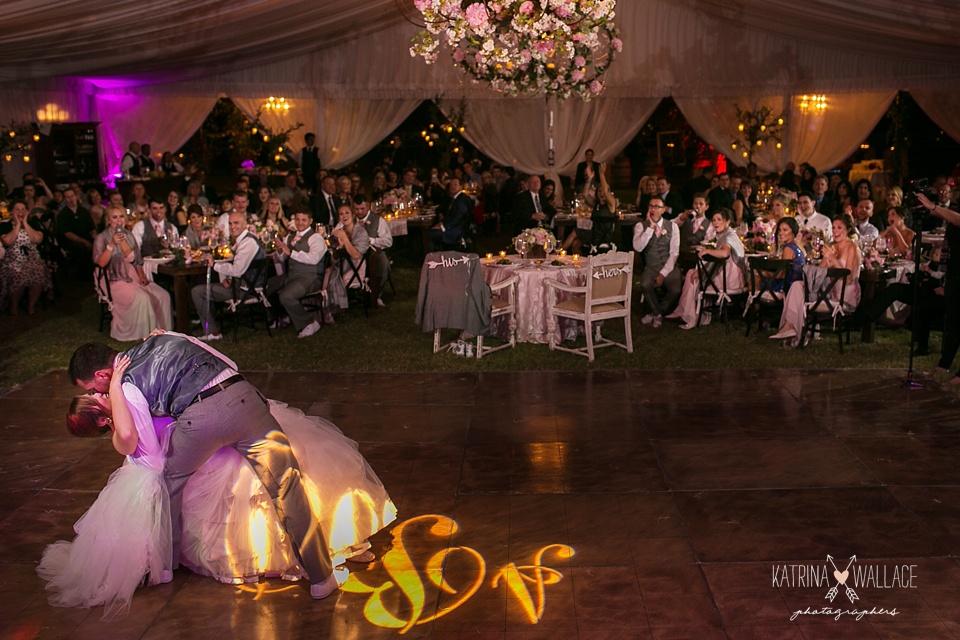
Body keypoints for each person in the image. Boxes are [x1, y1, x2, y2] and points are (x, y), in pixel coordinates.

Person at [63, 333, 356, 607]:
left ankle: (166, 567)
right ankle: (321, 577)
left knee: (167, 482)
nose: (94, 394)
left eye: (91, 389)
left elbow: (133, 438)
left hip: (200, 417)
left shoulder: (124, 383)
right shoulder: (166, 337)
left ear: (102, 375)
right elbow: (228, 362)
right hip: (245, 398)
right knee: (287, 486)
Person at [772, 214, 862, 346]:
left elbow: (848, 279)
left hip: (844, 296)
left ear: (848, 230)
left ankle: (795, 331)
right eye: (833, 228)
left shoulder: (852, 248)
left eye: (839, 228)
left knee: (801, 288)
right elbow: (818, 274)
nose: (835, 231)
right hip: (829, 293)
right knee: (797, 285)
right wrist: (825, 259)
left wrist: (833, 259)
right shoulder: (832, 246)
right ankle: (789, 326)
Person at [94, 205, 172, 340]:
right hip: (113, 278)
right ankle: (145, 335)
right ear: (108, 220)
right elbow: (100, 263)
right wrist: (112, 244)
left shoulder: (129, 235)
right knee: (142, 298)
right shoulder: (102, 237)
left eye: (121, 216)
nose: (118, 220)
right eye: (114, 217)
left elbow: (137, 260)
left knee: (163, 295)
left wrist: (141, 275)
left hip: (133, 275)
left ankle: (164, 333)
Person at [192, 210, 265, 341]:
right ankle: (212, 328)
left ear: (245, 224)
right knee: (202, 288)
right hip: (240, 285)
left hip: (246, 291)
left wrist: (214, 265)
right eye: (230, 224)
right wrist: (228, 278)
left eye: (236, 223)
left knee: (197, 291)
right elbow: (241, 268)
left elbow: (237, 270)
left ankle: (213, 333)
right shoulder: (242, 240)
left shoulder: (248, 242)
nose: (232, 227)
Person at [667, 207, 745, 329]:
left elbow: (725, 253)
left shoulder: (728, 236)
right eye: (714, 220)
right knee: (691, 273)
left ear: (728, 221)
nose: (715, 223)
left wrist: (707, 251)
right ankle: (684, 311)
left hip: (729, 280)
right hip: (725, 274)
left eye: (719, 219)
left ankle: (691, 316)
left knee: (693, 277)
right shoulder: (724, 235)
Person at [917, 192, 960, 383]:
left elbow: (957, 219)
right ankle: (944, 365)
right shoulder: (955, 210)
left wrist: (933, 207)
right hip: (954, 274)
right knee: (953, 322)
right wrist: (925, 207)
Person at [268, 210, 327, 337]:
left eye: (303, 220)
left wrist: (290, 252)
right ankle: (281, 317)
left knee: (286, 296)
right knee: (266, 287)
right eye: (298, 220)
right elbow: (282, 259)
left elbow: (313, 259)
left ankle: (309, 323)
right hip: (292, 276)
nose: (300, 223)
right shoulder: (290, 236)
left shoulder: (316, 238)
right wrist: (280, 251)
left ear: (310, 221)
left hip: (310, 277)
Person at [633, 195, 682, 328]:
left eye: (656, 207)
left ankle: (656, 312)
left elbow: (674, 253)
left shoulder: (673, 226)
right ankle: (658, 314)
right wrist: (650, 228)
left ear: (663, 210)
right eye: (651, 206)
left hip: (669, 266)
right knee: (645, 284)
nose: (653, 209)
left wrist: (663, 274)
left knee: (676, 290)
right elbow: (638, 247)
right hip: (651, 266)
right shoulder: (640, 226)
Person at [0, 200, 51, 315]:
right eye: (17, 209)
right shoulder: (5, 225)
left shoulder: (33, 224)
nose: (20, 212)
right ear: (12, 212)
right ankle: (14, 306)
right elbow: (7, 241)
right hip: (12, 260)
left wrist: (25, 224)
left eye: (23, 209)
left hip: (32, 257)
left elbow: (37, 239)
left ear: (27, 212)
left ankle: (31, 306)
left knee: (38, 273)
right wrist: (18, 224)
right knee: (20, 276)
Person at [324, 204, 371, 321]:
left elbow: (356, 255)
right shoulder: (338, 233)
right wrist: (338, 247)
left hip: (355, 267)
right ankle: (326, 310)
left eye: (347, 213)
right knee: (325, 273)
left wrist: (345, 239)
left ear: (353, 215)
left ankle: (333, 310)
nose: (344, 216)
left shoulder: (361, 233)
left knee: (331, 277)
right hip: (340, 266)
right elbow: (334, 258)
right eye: (341, 214)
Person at [430, 178, 472, 251]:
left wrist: (443, 226)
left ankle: (432, 257)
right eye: (451, 185)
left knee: (433, 233)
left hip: (458, 229)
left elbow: (457, 218)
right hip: (454, 226)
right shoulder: (455, 198)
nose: (452, 187)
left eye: (455, 185)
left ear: (461, 187)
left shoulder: (462, 200)